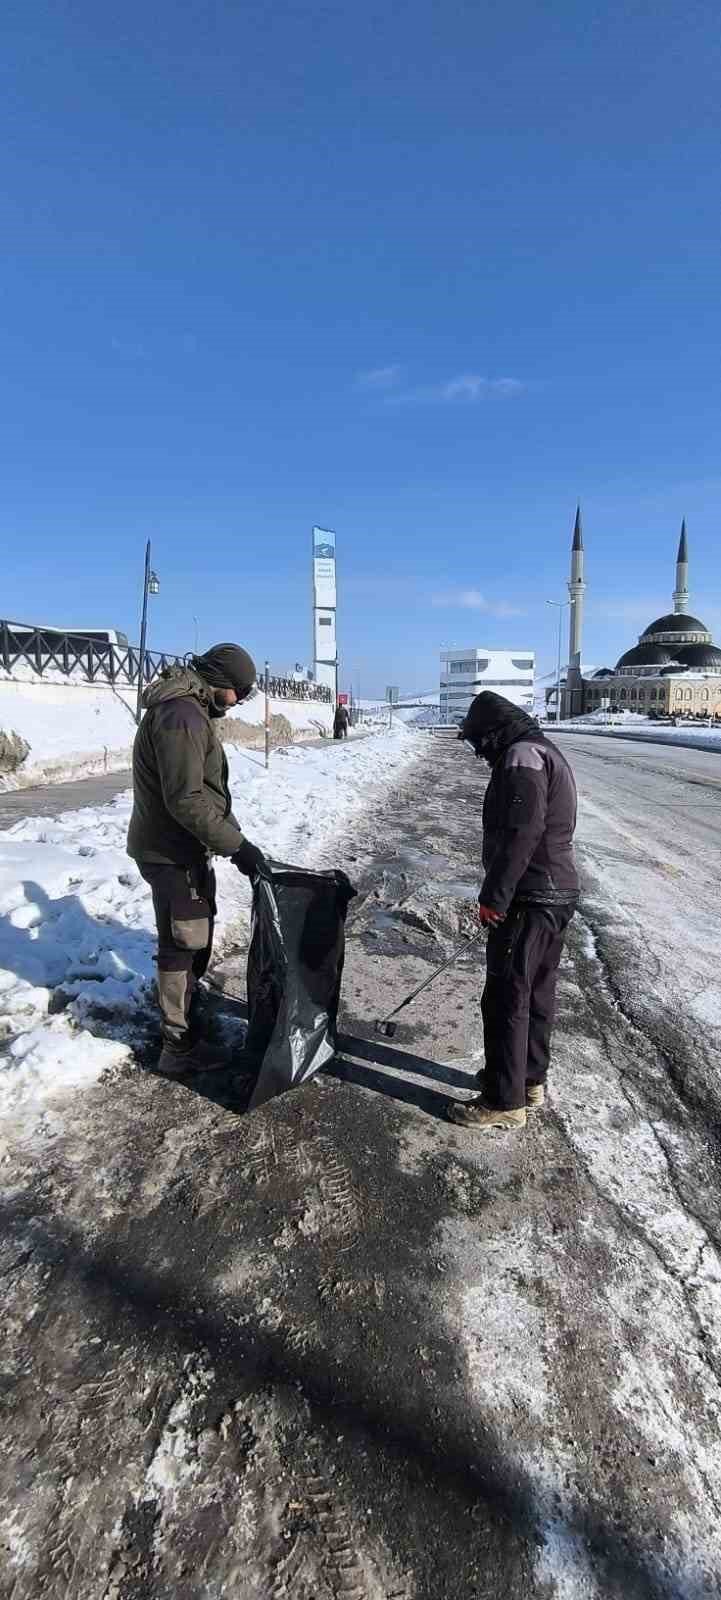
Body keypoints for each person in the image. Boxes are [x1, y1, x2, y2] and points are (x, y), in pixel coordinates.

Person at [127, 644, 266, 1075]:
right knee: (182, 943)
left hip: (184, 848)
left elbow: (206, 793)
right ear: (220, 682)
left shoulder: (192, 711)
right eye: (240, 691)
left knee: (195, 937)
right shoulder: (182, 716)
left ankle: (187, 1010)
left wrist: (236, 841)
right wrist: (236, 847)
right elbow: (185, 800)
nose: (240, 700)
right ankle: (178, 1048)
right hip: (170, 851)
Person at [448, 692, 579, 1133]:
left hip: (531, 895)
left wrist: (496, 896)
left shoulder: (522, 756)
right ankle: (528, 1081)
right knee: (536, 991)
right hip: (556, 892)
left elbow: (523, 832)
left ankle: (504, 1102)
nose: (478, 752)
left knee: (507, 995)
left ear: (493, 732)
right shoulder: (544, 749)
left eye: (478, 741)